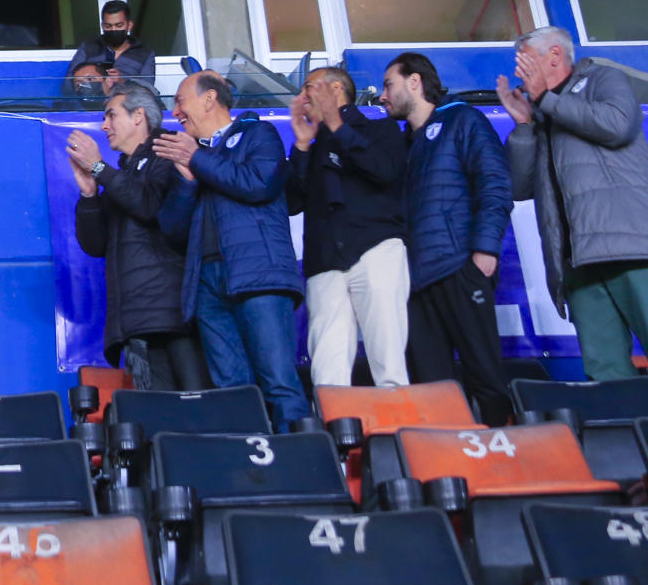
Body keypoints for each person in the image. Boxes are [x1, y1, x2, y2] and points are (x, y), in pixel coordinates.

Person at [498, 26, 648, 417]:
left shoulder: (602, 79)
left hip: (633, 246)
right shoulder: (544, 112)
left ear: (555, 55)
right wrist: (524, 126)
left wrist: (546, 99)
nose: (520, 71)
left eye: (526, 60)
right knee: (605, 372)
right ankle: (642, 467)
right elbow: (519, 186)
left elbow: (616, 125)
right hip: (578, 264)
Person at [156, 72, 310, 429]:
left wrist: (197, 159)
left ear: (209, 99)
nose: (175, 112)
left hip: (258, 274)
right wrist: (186, 180)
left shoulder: (258, 135)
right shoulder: (195, 157)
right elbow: (173, 230)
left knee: (279, 382)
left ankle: (301, 469)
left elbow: (259, 184)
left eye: (180, 101)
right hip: (207, 284)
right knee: (230, 390)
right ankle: (250, 474)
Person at [380, 53, 513, 426]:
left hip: (459, 267)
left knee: (485, 376)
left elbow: (495, 183)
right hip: (416, 284)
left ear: (415, 82)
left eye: (389, 84)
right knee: (432, 391)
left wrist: (484, 251)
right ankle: (451, 473)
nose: (382, 95)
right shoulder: (399, 146)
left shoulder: (461, 119)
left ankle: (507, 462)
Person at [66, 82, 212, 391]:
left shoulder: (169, 150)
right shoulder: (123, 173)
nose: (104, 125)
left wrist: (97, 167)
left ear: (138, 116)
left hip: (176, 316)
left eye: (111, 115)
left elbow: (150, 206)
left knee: (198, 408)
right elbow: (95, 245)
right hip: (138, 320)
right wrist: (89, 195)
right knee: (159, 419)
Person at [287, 66, 410, 387]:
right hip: (325, 263)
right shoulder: (312, 149)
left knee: (389, 363)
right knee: (327, 371)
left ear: (336, 89)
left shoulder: (380, 130)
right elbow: (290, 202)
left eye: (309, 87)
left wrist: (337, 124)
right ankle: (335, 434)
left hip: (376, 250)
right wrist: (301, 146)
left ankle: (395, 435)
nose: (302, 98)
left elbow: (384, 171)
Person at [63, 0, 156, 95]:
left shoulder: (144, 53)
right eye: (108, 26)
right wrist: (91, 82)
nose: (113, 30)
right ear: (102, 26)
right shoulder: (89, 47)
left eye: (119, 25)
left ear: (129, 25)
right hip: (90, 103)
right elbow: (67, 86)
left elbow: (148, 90)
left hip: (127, 105)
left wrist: (123, 82)